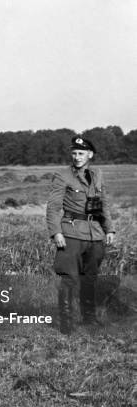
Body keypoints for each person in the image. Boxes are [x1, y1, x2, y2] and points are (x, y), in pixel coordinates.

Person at [46, 135, 115, 334]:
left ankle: (89, 319)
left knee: (90, 278)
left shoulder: (97, 174)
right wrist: (56, 232)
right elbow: (53, 207)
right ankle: (66, 324)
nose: (77, 157)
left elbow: (103, 204)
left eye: (81, 153)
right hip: (71, 233)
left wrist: (109, 229)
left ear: (90, 155)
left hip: (95, 234)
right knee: (69, 279)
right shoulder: (63, 176)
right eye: (74, 153)